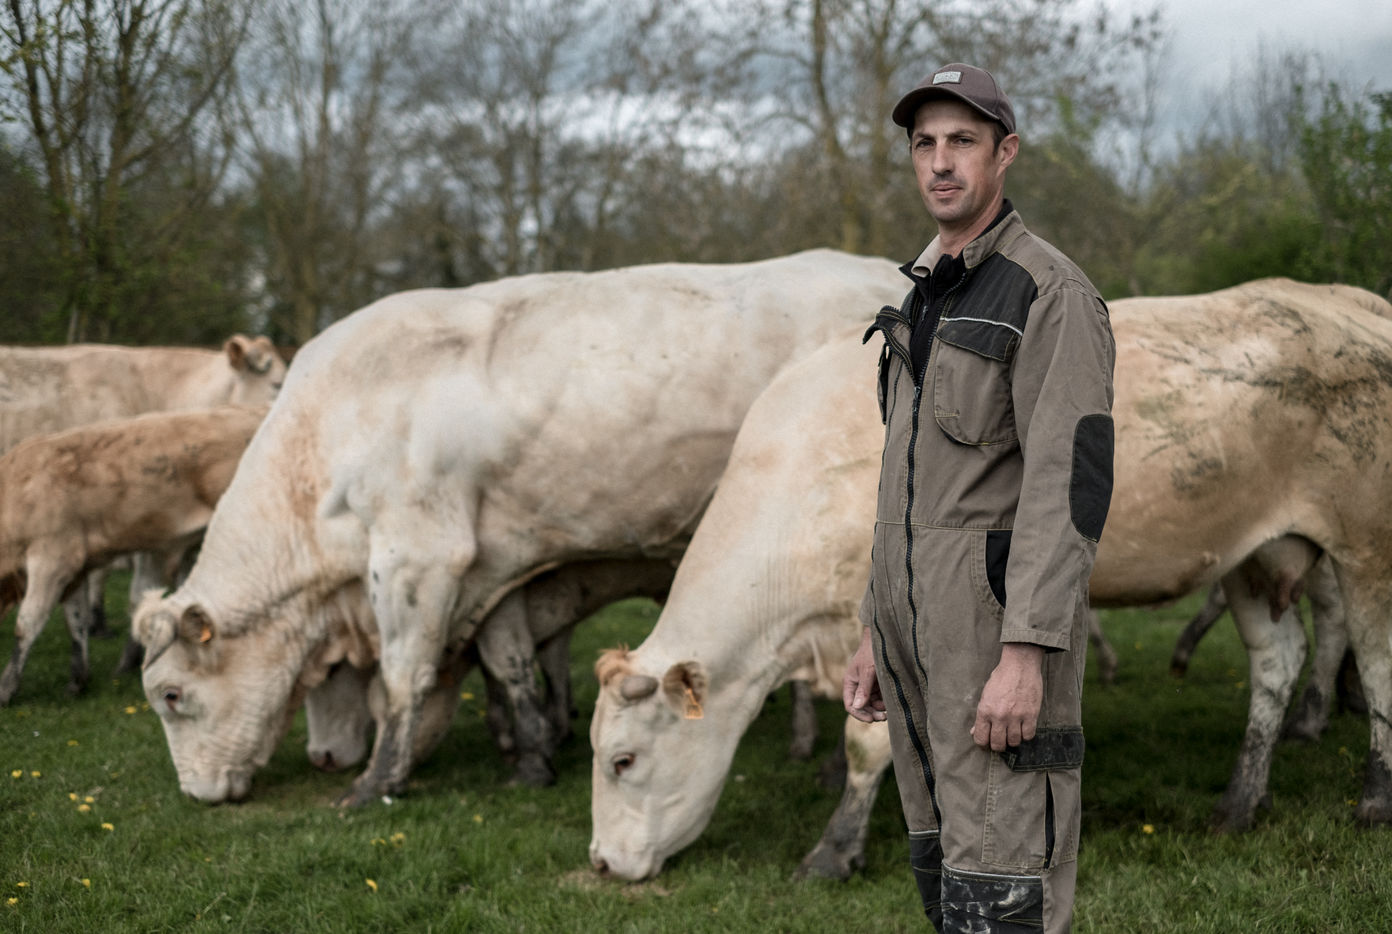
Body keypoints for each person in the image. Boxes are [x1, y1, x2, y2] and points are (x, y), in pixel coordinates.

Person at [844, 63, 1115, 933]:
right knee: (949, 882)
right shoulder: (922, 295)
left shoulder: (1049, 292)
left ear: (1006, 153)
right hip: (916, 646)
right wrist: (874, 628)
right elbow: (909, 486)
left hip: (994, 644)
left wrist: (1027, 654)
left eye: (962, 140)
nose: (940, 161)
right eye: (924, 143)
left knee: (1007, 890)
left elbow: (1069, 487)